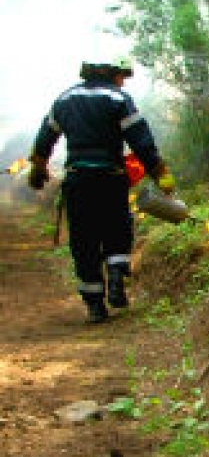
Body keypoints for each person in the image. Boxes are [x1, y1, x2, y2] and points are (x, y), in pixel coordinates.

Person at [26, 57, 175, 323]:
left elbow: (45, 139)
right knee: (117, 228)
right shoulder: (118, 99)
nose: (123, 81)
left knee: (84, 240)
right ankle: (116, 278)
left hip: (78, 180)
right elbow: (142, 141)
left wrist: (38, 169)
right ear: (110, 74)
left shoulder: (64, 99)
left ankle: (95, 305)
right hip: (110, 178)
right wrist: (160, 174)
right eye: (121, 76)